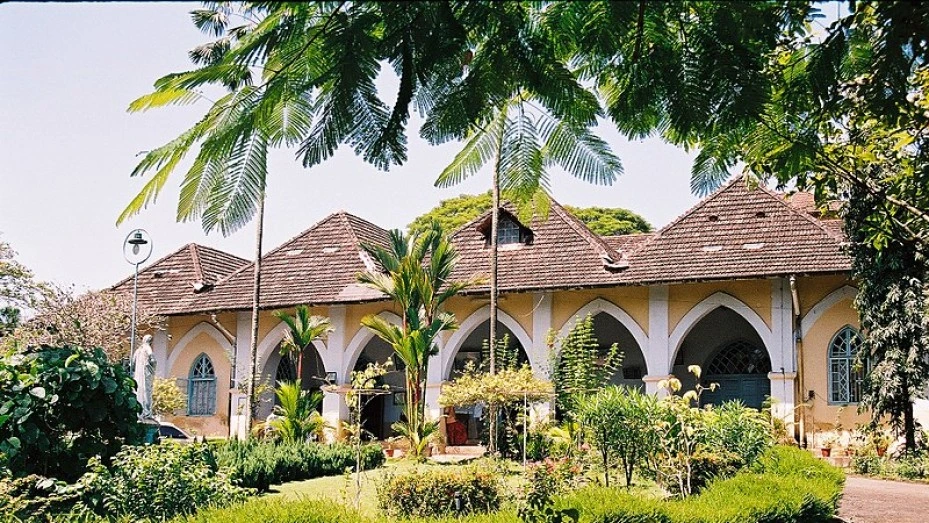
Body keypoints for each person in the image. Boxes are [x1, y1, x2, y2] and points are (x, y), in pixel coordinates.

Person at [132, 334, 156, 420]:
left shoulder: (138, 350)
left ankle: (139, 412)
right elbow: (152, 359)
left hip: (138, 375)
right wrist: (153, 366)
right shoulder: (147, 347)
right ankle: (147, 412)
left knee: (138, 391)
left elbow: (133, 363)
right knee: (147, 391)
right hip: (146, 373)